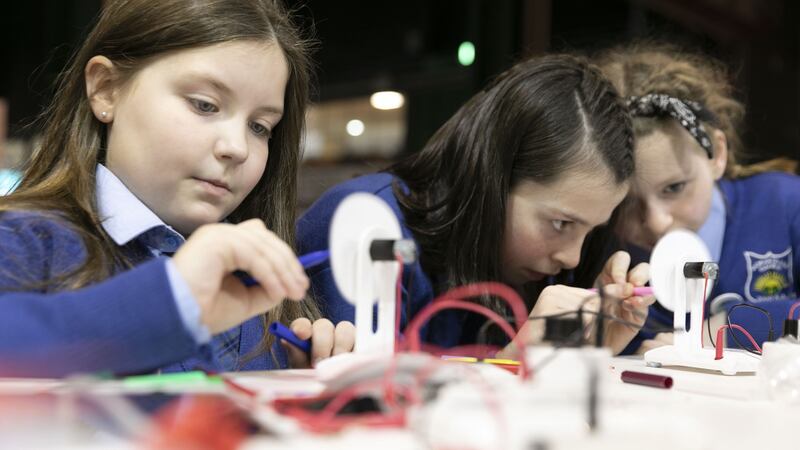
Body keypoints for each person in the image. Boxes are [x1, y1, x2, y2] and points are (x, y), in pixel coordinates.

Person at [0, 0, 353, 377]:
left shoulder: (260, 289)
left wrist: (297, 384)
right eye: (205, 105)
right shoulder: (22, 240)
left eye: (260, 127)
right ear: (105, 89)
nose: (236, 147)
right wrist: (173, 299)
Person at [298, 54, 653, 356]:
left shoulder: (533, 266)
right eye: (561, 224)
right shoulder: (368, 229)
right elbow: (365, 410)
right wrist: (513, 363)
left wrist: (592, 348)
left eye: (591, 231)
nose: (572, 259)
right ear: (492, 177)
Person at [594, 42, 800, 353]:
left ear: (717, 154)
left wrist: (721, 330)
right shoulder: (603, 259)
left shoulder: (784, 203)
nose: (656, 222)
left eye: (674, 188)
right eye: (625, 203)